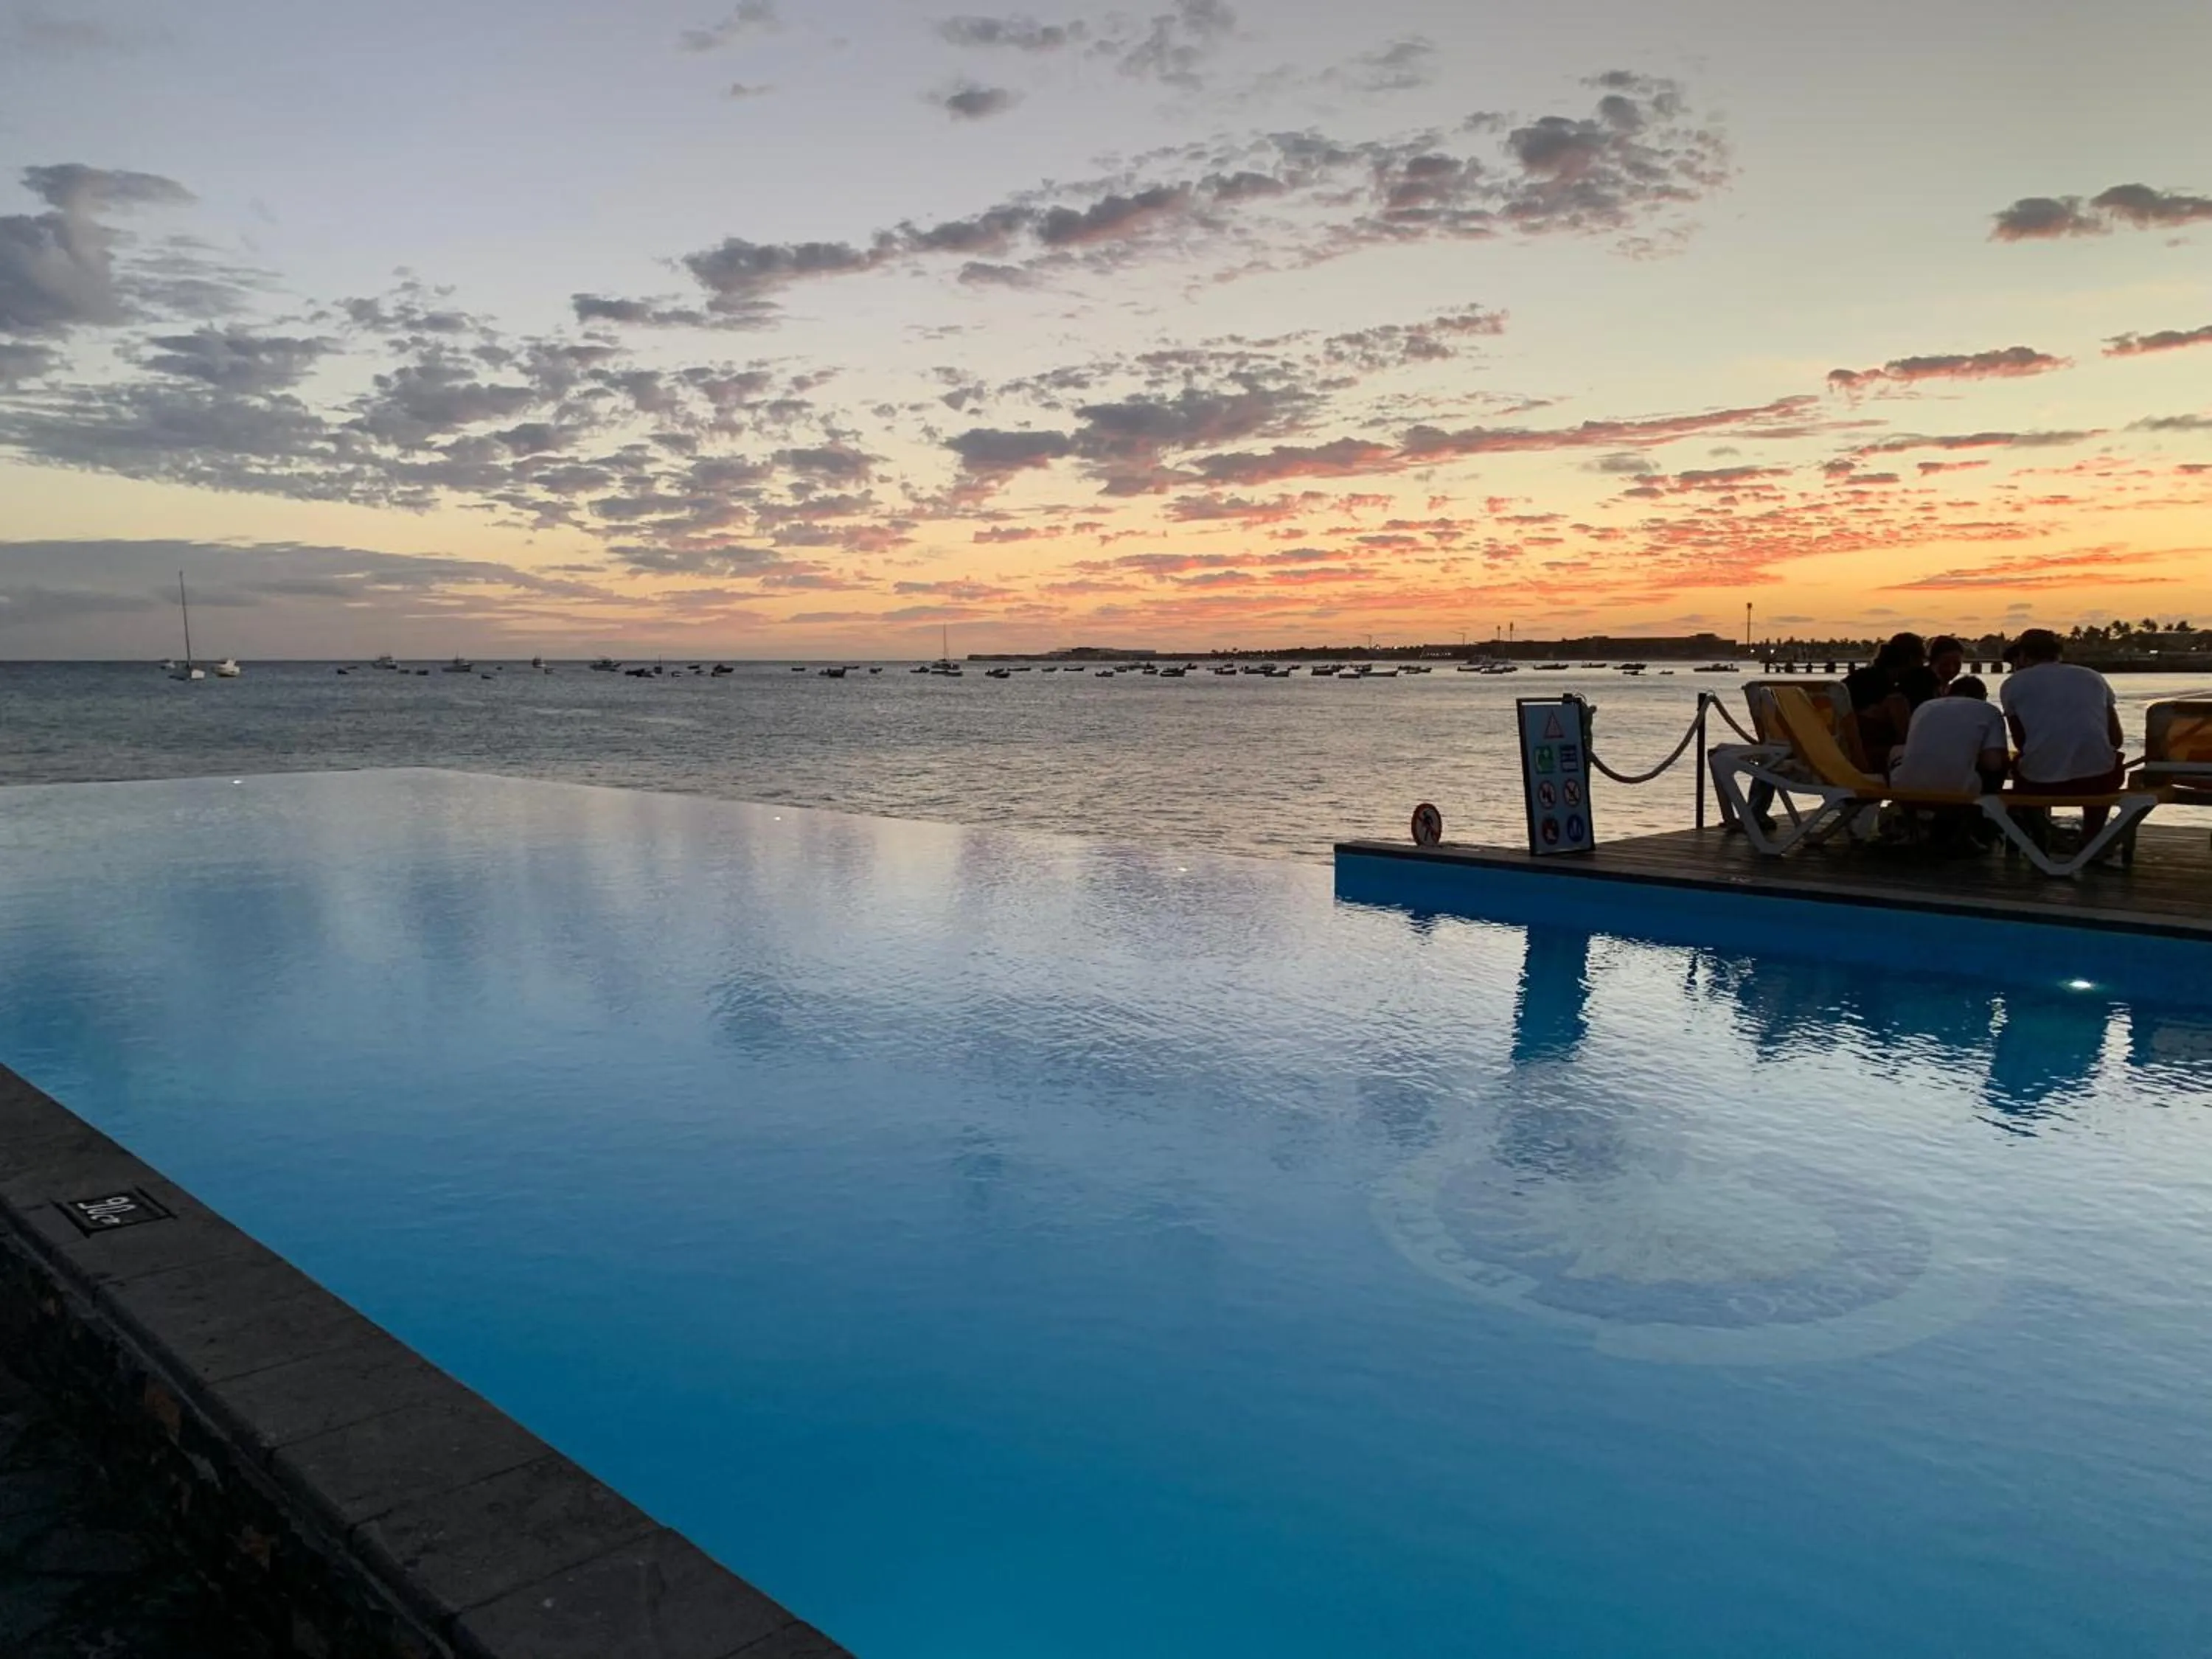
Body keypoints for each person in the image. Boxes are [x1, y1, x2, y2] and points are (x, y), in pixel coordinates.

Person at [1999, 628, 2124, 835]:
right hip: (2097, 784)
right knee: (2102, 763)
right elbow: (2116, 739)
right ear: (2059, 653)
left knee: (2025, 771)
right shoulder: (2092, 677)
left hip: (2039, 784)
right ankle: (2092, 838)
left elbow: (2022, 742)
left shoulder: (2013, 684)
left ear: (2022, 656)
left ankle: (2040, 838)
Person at [1891, 676, 2008, 795]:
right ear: (1984, 696)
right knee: (2000, 758)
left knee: (1897, 750)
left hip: (1906, 787)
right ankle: (1989, 802)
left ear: (1949, 691)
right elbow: (1993, 763)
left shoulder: (1925, 706)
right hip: (1961, 789)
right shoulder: (1989, 710)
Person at [1844, 632, 1926, 762]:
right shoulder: (1888, 690)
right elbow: (1904, 736)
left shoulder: (1862, 677)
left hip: (1840, 746)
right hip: (1863, 752)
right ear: (1912, 659)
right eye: (1922, 660)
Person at [1899, 635, 1964, 707]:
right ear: (1932, 661)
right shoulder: (1917, 684)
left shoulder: (1952, 689)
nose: (1951, 669)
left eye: (1957, 664)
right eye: (1945, 664)